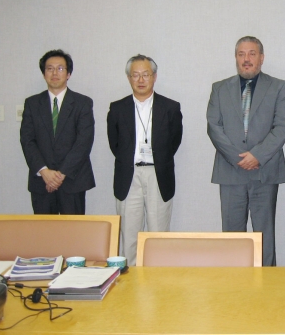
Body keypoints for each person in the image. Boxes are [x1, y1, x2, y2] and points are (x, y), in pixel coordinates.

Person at [207, 36, 285, 266]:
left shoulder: (278, 87)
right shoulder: (219, 88)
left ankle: (267, 288)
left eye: (252, 54)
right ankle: (235, 289)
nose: (246, 59)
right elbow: (214, 127)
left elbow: (282, 127)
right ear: (236, 57)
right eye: (241, 54)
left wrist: (258, 156)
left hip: (265, 171)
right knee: (233, 236)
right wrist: (238, 159)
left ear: (261, 58)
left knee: (265, 236)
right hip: (230, 172)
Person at [107, 54, 182, 266]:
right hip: (128, 175)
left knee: (158, 234)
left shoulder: (170, 107)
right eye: (135, 75)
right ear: (129, 78)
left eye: (145, 74)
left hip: (158, 174)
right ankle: (129, 284)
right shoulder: (117, 108)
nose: (141, 80)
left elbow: (174, 142)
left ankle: (158, 283)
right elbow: (115, 145)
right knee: (129, 234)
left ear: (154, 77)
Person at [20, 49, 95, 214]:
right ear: (43, 73)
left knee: (73, 235)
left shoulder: (83, 103)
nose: (55, 73)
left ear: (68, 74)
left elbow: (84, 142)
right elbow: (27, 140)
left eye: (60, 68)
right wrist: (44, 171)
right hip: (42, 181)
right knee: (44, 235)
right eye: (50, 68)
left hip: (73, 181)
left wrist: (61, 174)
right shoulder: (32, 104)